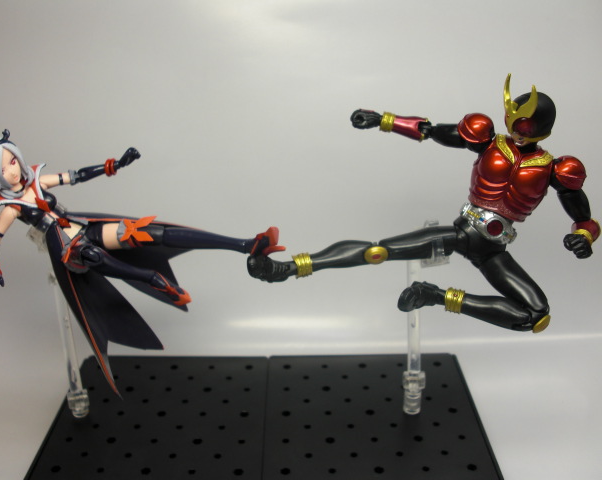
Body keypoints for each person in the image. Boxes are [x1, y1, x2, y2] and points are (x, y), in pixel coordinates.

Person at [248, 74, 598, 334]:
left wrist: (584, 237)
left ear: (543, 129)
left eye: (528, 127)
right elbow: (432, 131)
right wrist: (384, 120)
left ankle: (433, 296)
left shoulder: (557, 169)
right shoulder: (488, 141)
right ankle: (287, 269)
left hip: (493, 249)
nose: (519, 132)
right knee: (379, 251)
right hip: (462, 232)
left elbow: (585, 219)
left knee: (535, 316)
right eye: (516, 123)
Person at [0, 129, 283, 394]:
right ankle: (152, 279)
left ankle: (245, 244)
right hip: (67, 248)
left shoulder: (38, 181)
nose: (12, 170)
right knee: (92, 256)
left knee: (148, 232)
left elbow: (76, 176)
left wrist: (114, 165)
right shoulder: (9, 206)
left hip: (83, 226)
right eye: (4, 168)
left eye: (12, 161)